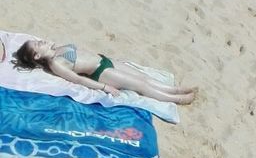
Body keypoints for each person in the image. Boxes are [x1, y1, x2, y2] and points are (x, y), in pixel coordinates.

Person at [12, 38, 197, 105]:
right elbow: (77, 80)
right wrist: (104, 87)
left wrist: (49, 45)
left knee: (142, 77)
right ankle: (177, 99)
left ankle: (175, 90)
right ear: (37, 56)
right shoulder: (55, 64)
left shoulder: (55, 49)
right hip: (101, 71)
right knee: (141, 85)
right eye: (37, 44)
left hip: (104, 59)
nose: (40, 41)